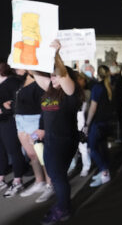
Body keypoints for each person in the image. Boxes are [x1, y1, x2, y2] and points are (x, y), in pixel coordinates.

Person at [32, 40, 83, 224]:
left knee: (57, 176)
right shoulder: (50, 91)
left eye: (55, 76)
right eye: (51, 76)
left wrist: (56, 54)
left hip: (64, 139)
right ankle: (62, 204)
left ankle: (63, 209)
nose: (52, 78)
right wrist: (30, 52)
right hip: (51, 139)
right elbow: (35, 72)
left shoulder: (71, 92)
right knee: (55, 174)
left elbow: (62, 75)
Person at [14, 69, 54, 203]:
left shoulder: (40, 81)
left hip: (34, 121)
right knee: (31, 155)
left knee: (42, 156)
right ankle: (39, 181)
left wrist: (42, 127)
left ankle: (50, 184)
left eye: (18, 65)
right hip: (20, 120)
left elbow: (46, 105)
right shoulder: (21, 81)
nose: (15, 67)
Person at [83, 65, 114, 187]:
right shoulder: (108, 87)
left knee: (92, 148)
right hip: (106, 122)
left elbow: (93, 107)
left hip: (97, 122)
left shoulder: (97, 87)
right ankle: (104, 171)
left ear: (97, 73)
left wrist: (87, 123)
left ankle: (105, 172)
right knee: (102, 147)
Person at [0, 61, 26, 198]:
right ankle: (1, 178)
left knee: (13, 150)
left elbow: (15, 103)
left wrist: (3, 108)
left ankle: (18, 180)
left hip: (9, 121)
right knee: (1, 151)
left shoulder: (13, 82)